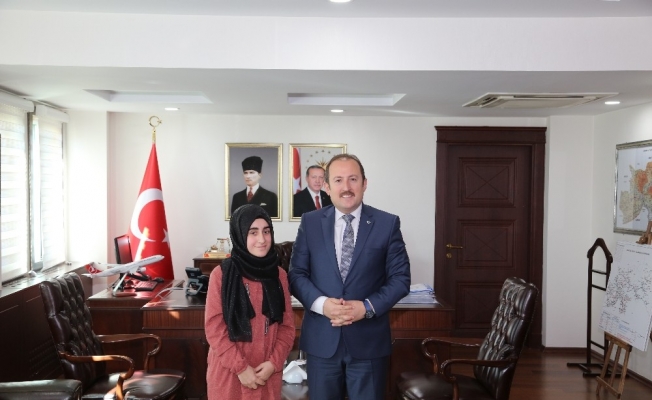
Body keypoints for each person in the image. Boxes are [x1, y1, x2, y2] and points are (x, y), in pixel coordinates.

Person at [288, 154, 411, 400]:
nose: (346, 187)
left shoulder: (387, 224)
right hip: (322, 342)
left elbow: (400, 279)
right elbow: (296, 274)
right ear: (326, 186)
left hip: (369, 343)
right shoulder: (310, 223)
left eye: (353, 179)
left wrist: (366, 307)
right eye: (338, 180)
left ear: (365, 183)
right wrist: (323, 305)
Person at [205, 204, 295, 400]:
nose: (262, 239)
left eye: (266, 231)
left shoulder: (279, 275)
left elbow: (287, 327)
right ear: (239, 235)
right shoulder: (221, 275)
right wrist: (240, 368)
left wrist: (274, 363)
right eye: (253, 232)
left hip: (267, 374)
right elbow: (214, 328)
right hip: (230, 375)